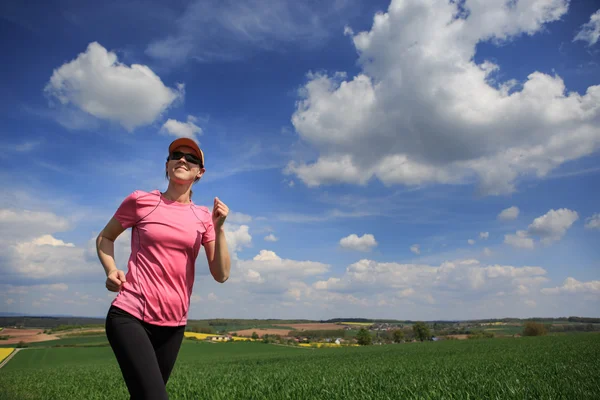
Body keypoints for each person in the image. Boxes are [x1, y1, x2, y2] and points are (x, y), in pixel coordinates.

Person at [96, 137, 231, 399]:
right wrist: (110, 268)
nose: (183, 159)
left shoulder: (204, 216)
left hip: (174, 325)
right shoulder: (141, 201)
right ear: (167, 165)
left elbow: (221, 274)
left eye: (191, 158)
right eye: (176, 155)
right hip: (130, 314)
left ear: (199, 172)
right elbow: (105, 238)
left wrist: (219, 227)